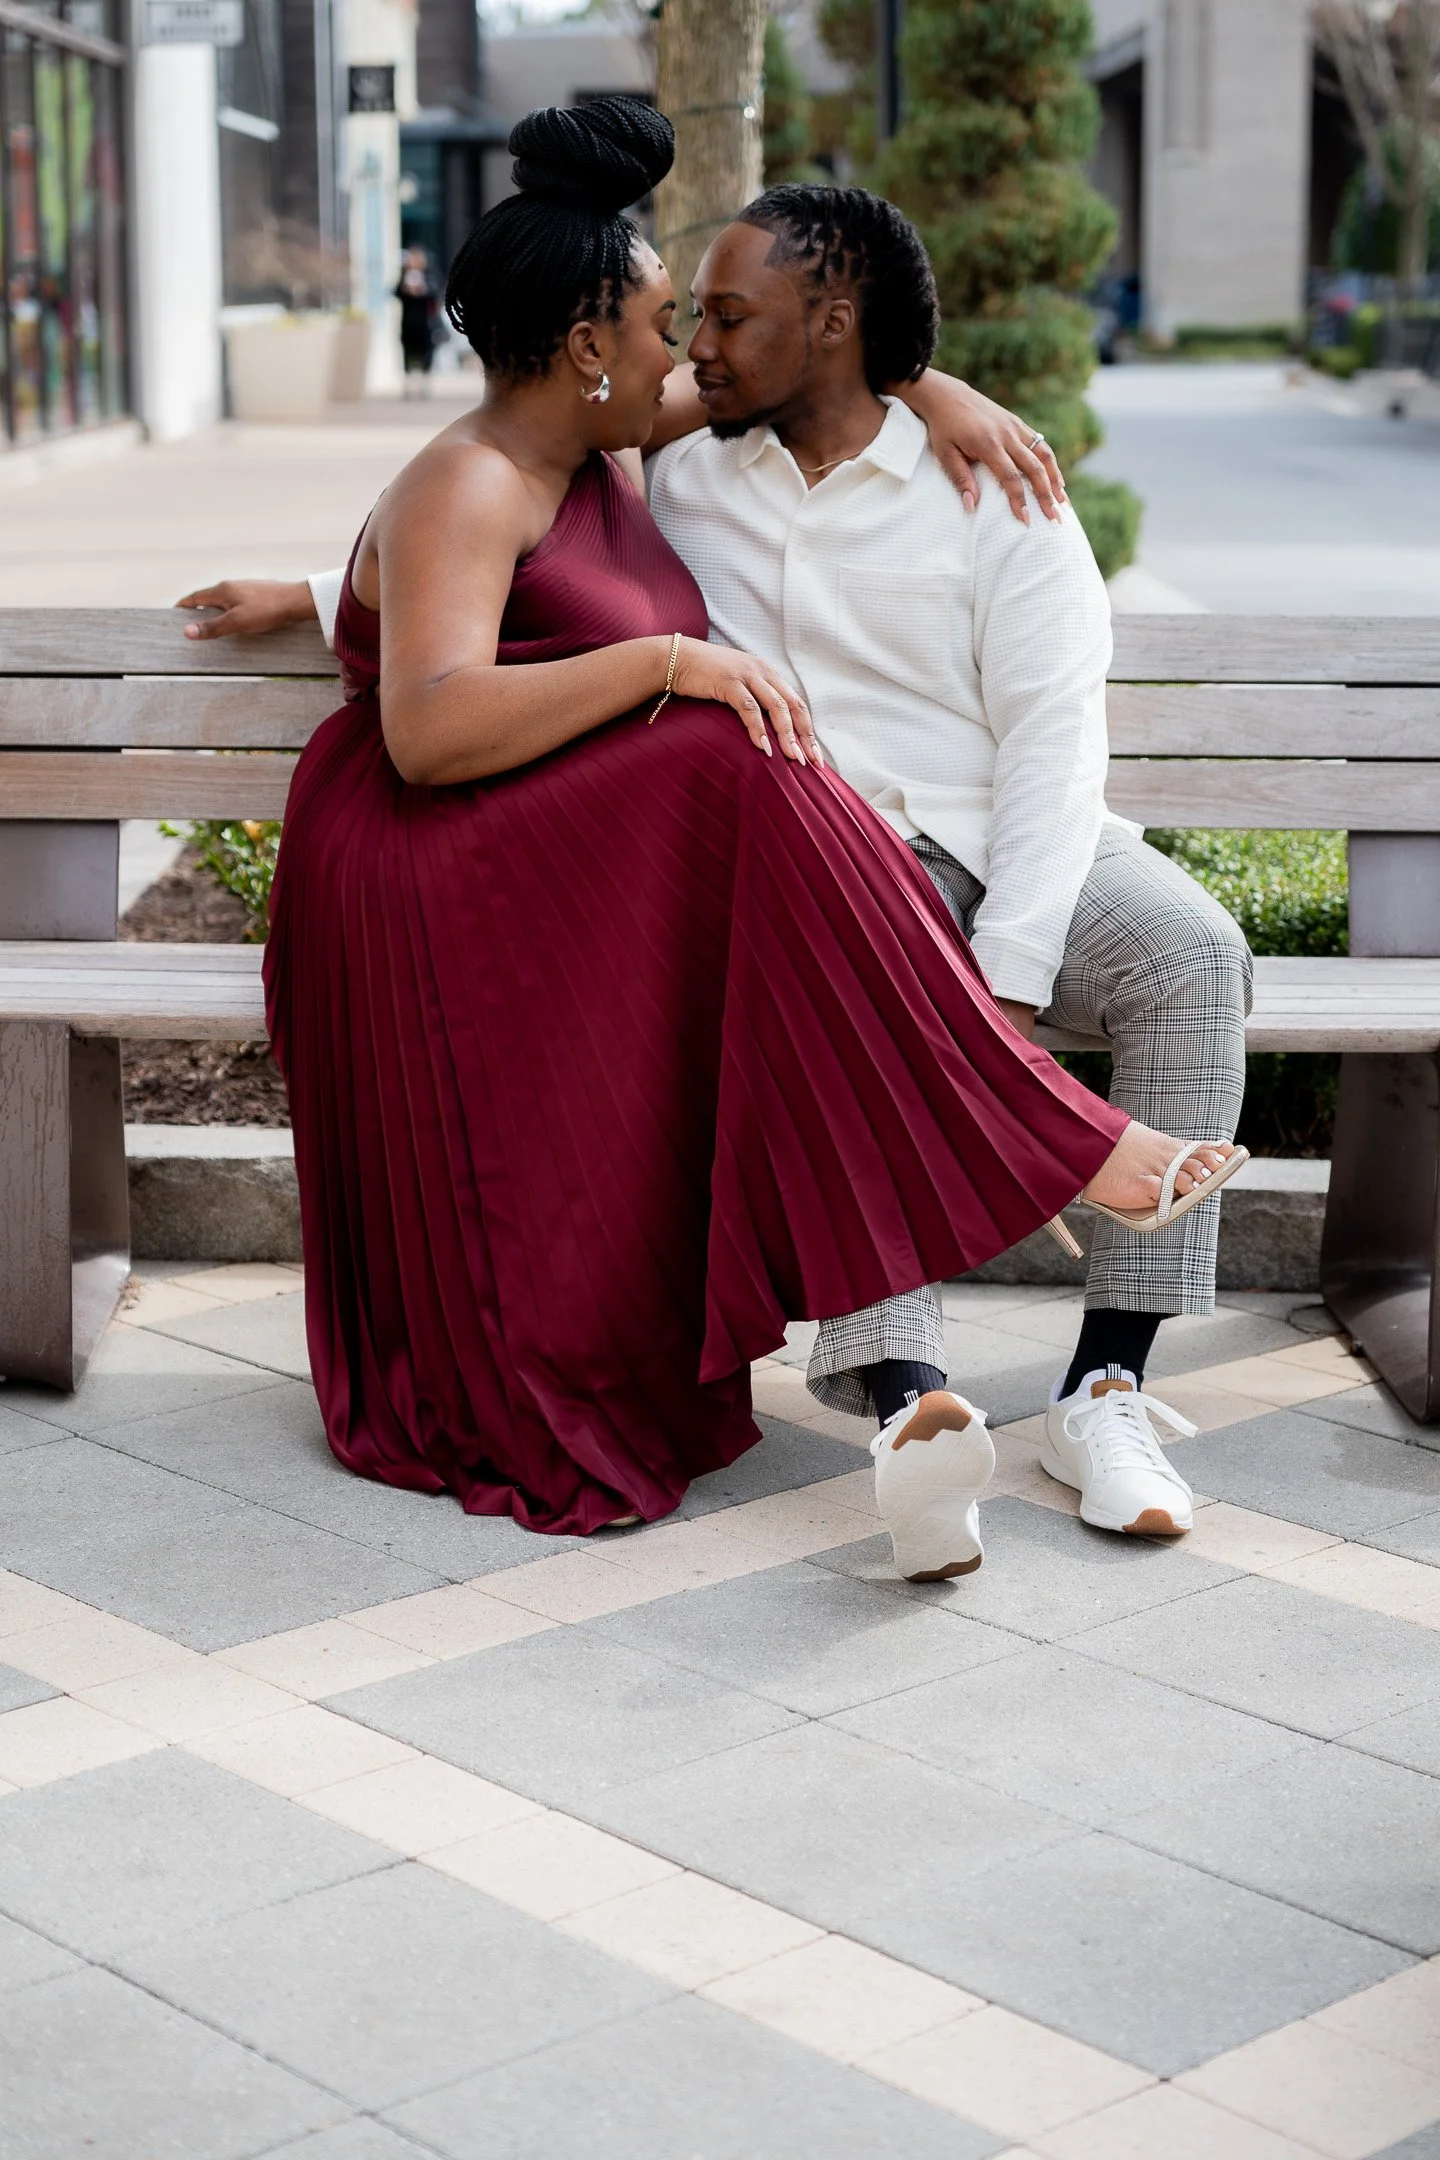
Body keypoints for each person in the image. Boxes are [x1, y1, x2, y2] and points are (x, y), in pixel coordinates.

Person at [178, 101, 1243, 1567]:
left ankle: (1102, 1357)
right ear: (590, 341)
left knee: (1146, 929)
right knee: (731, 765)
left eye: (717, 322)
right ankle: (961, 1301)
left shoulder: (719, 450)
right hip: (552, 845)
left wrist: (938, 392)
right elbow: (444, 648)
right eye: (678, 320)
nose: (695, 350)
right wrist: (653, 660)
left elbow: (816, 403)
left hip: (728, 833)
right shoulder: (581, 462)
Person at [395, 247, 440, 394]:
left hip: (425, 323)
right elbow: (395, 292)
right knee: (408, 353)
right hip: (408, 323)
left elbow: (435, 293)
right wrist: (406, 289)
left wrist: (422, 291)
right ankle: (408, 385)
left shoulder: (429, 276)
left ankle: (424, 384)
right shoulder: (404, 276)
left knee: (426, 353)